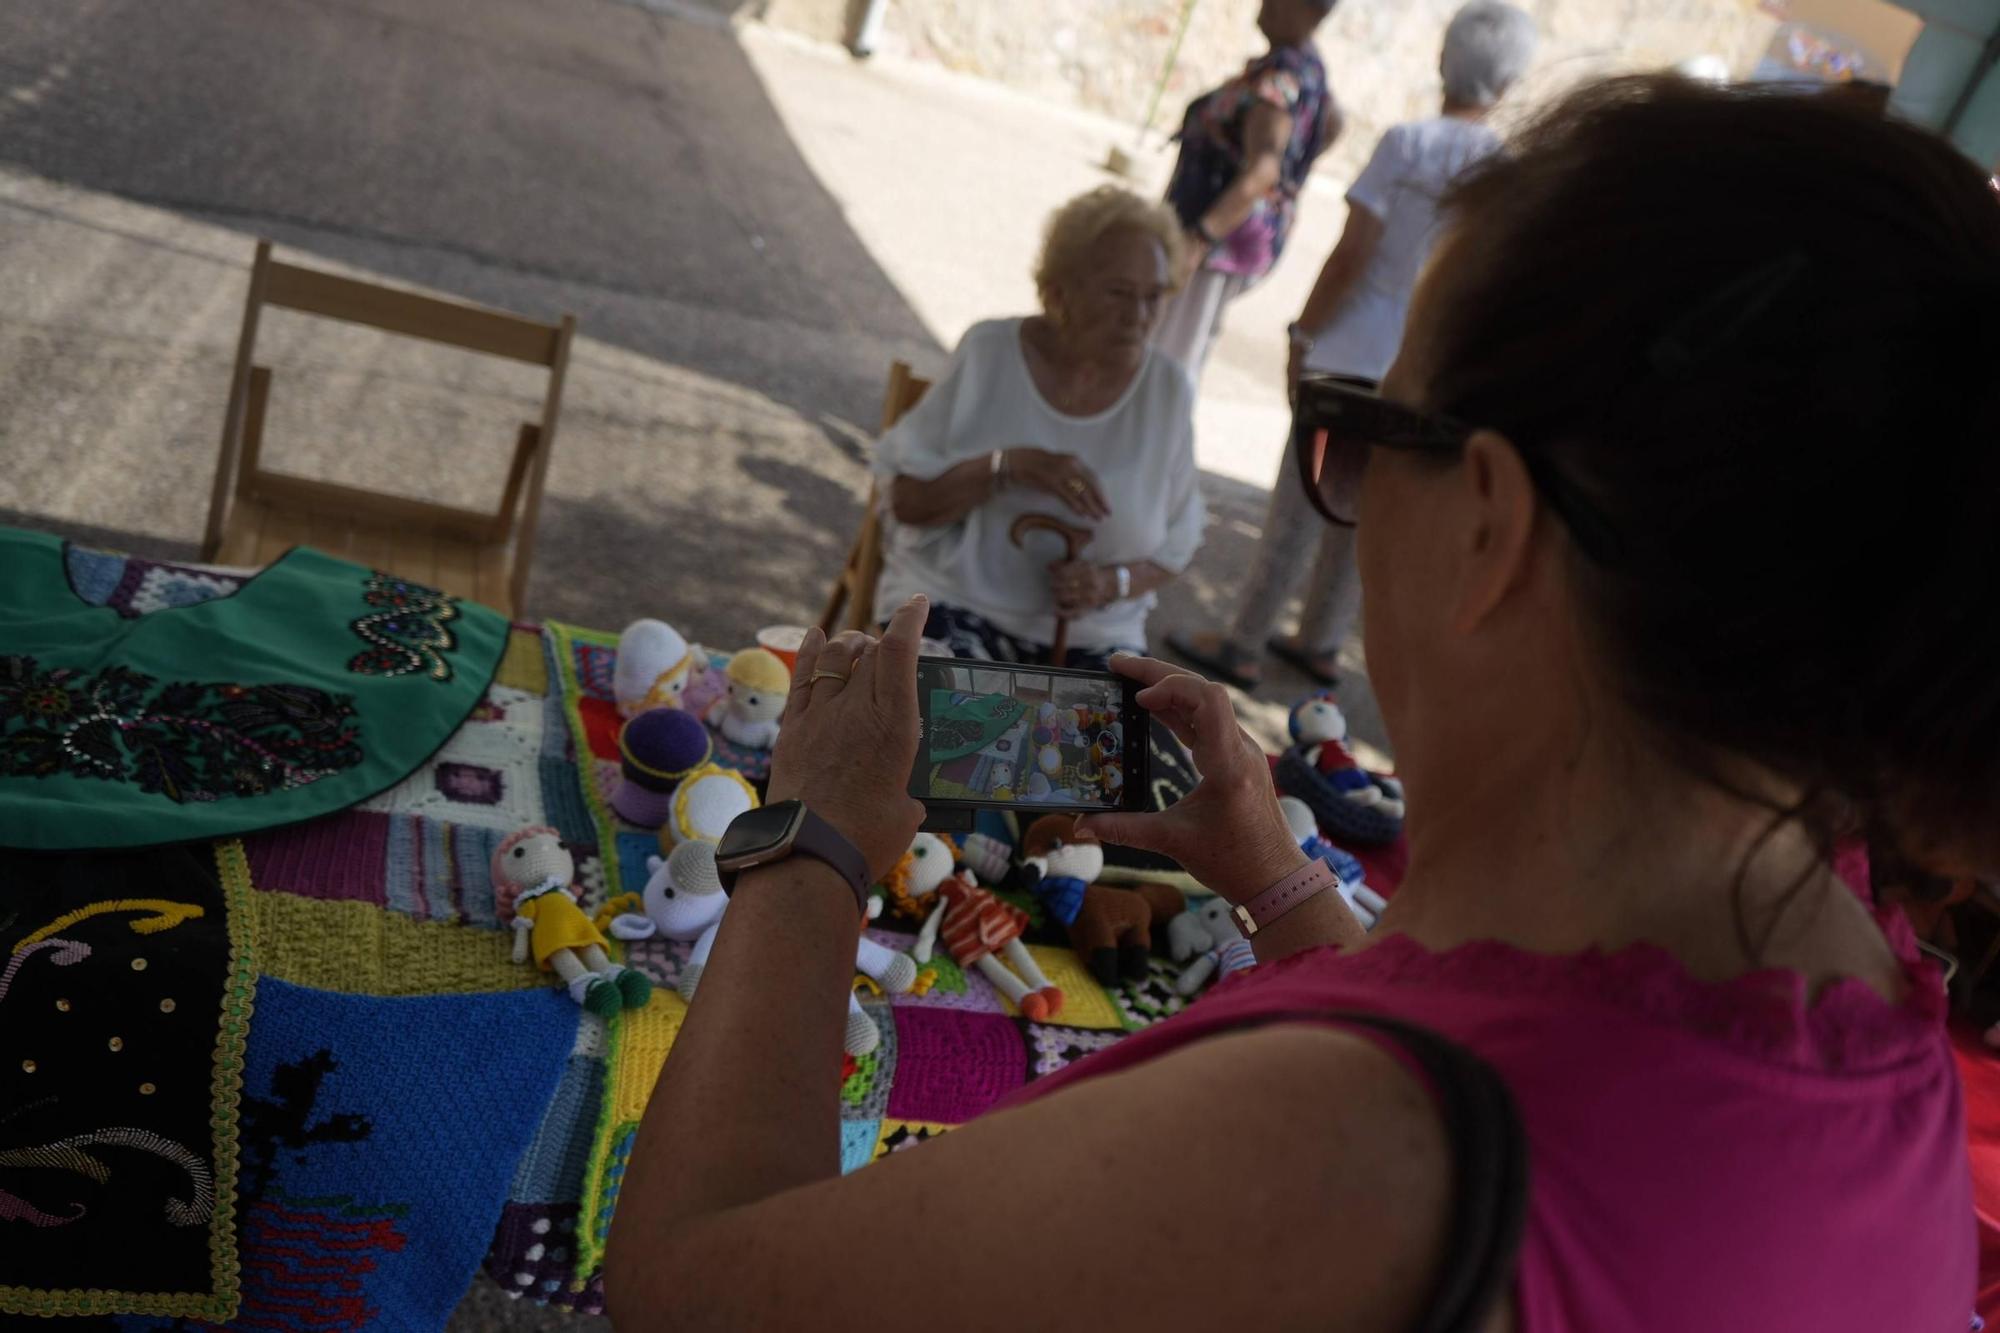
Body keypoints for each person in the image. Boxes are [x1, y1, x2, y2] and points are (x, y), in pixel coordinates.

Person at [603, 77, 1995, 1330]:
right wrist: (1278, 883)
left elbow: (693, 1282)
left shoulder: (1346, 1155)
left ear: (1491, 525)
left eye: (1368, 433)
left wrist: (817, 834)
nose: (1352, 486)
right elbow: (1506, 1051)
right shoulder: (1869, 1002)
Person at [1169, 0, 1536, 688]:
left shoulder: (1408, 144)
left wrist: (1304, 332)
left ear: (1442, 61)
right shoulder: (1505, 172)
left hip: (1350, 353)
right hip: (1421, 368)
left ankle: (1244, 640)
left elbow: (1353, 255)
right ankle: (1321, 638)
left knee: (1301, 504)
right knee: (1365, 510)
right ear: (1510, 81)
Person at [870, 185, 1205, 669]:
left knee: (1117, 745)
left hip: (1095, 635)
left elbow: (1176, 543)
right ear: (1061, 289)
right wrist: (1007, 467)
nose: (1139, 317)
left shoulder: (1167, 390)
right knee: (957, 734)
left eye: (1154, 296)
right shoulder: (990, 352)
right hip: (957, 606)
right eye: (1118, 293)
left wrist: (1110, 585)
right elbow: (907, 502)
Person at [1151, 0, 1342, 382]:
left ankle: (1150, 438)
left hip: (1216, 243)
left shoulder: (1283, 76)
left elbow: (1263, 168)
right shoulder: (1302, 65)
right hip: (1226, 239)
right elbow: (1333, 122)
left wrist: (1200, 239)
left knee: (1167, 364)